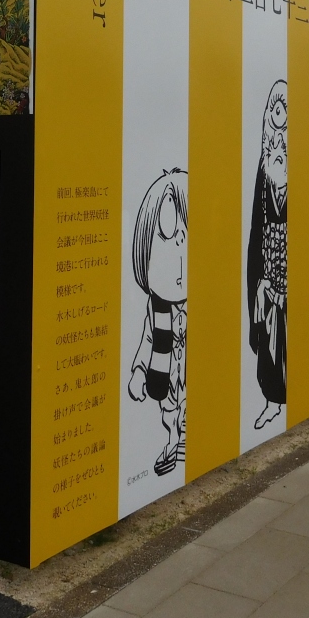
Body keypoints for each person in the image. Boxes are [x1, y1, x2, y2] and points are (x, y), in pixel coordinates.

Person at [127, 169, 188, 476]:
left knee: (187, 407)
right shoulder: (157, 307)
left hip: (190, 373)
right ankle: (173, 441)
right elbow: (148, 340)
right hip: (166, 375)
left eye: (183, 241)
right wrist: (139, 371)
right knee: (169, 411)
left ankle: (183, 440)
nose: (179, 257)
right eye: (166, 241)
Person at [247, 81, 288, 430]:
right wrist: (259, 277)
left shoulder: (296, 158)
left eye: (286, 110)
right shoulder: (264, 164)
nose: (281, 115)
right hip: (268, 266)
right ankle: (271, 402)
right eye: (277, 109)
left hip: (290, 259)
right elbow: (256, 224)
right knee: (269, 340)